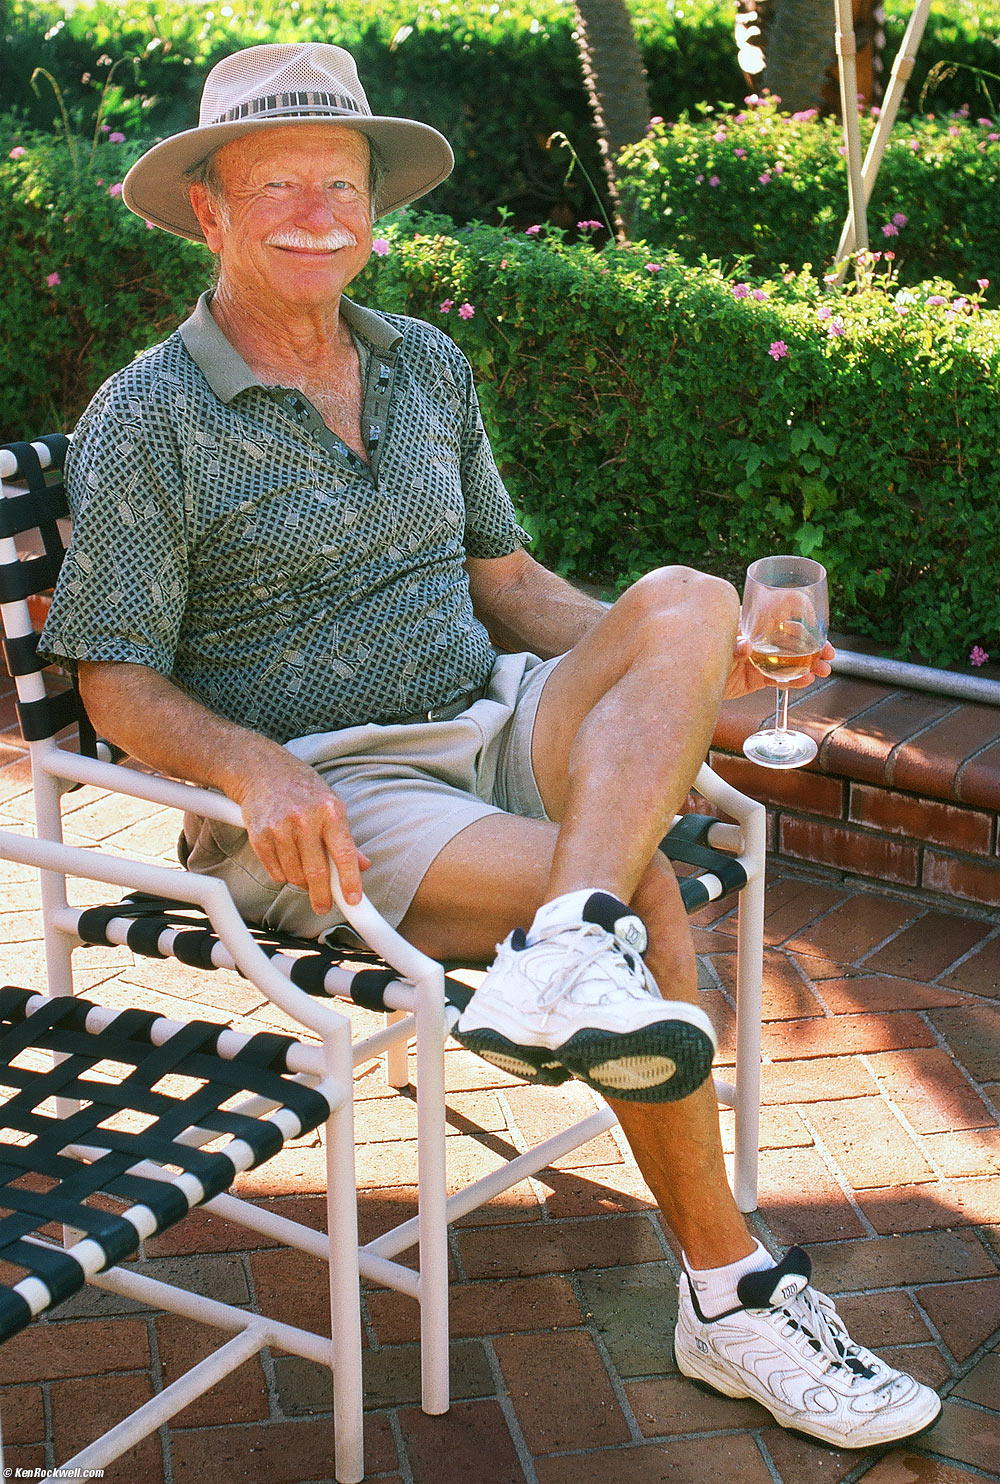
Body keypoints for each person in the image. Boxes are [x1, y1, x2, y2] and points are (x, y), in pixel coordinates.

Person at [40, 42, 941, 1450]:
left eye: (341, 182)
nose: (317, 212)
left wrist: (697, 669)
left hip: (492, 713)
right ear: (208, 213)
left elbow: (510, 584)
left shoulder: (421, 365)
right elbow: (113, 683)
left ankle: (561, 944)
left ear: (375, 206)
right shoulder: (152, 416)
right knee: (641, 888)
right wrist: (257, 768)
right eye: (275, 184)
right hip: (329, 793)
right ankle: (732, 1294)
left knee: (691, 600)